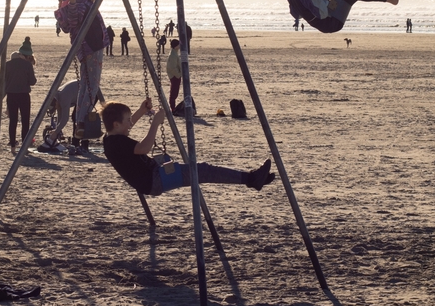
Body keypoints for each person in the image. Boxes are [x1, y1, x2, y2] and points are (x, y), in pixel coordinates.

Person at [102, 99, 275, 196]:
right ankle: (251, 179)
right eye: (128, 120)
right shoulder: (118, 143)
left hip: (154, 175)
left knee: (202, 171)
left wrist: (141, 111)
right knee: (204, 171)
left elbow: (130, 126)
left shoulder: (110, 138)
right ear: (117, 124)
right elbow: (144, 148)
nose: (131, 122)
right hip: (154, 180)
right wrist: (155, 123)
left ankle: (253, 179)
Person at [54, 0, 108, 139]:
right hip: (91, 46)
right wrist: (72, 3)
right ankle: (83, 121)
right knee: (92, 85)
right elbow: (74, 21)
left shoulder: (82, 0)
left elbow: (70, 23)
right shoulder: (81, 0)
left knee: (85, 85)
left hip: (86, 47)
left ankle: (80, 123)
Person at [43, 80, 105, 151]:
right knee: (76, 117)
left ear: (55, 103)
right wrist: (57, 130)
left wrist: (56, 132)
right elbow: (60, 117)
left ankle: (82, 143)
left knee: (79, 117)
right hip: (82, 94)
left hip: (91, 92)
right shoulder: (57, 97)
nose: (56, 109)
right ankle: (76, 142)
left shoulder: (63, 97)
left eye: (54, 108)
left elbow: (65, 118)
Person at [0, 42, 37, 153]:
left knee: (13, 121)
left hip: (11, 95)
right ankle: (24, 147)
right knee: (25, 121)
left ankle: (12, 147)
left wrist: (10, 82)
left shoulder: (7, 64)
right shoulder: (27, 65)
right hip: (24, 95)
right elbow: (32, 81)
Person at [166, 38, 182, 112]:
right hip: (174, 76)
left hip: (176, 75)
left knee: (175, 92)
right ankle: (173, 108)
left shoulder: (174, 53)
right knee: (174, 92)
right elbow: (172, 67)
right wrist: (178, 75)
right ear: (176, 46)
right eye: (178, 45)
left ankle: (173, 107)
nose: (179, 46)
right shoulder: (173, 54)